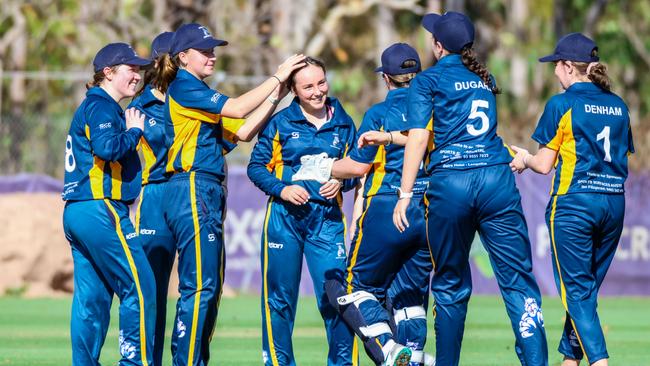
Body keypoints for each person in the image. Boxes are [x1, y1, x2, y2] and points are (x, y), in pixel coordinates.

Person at [393, 12, 548, 366]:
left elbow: (418, 139)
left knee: (450, 283)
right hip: (496, 179)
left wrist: (404, 194)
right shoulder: (485, 77)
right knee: (519, 282)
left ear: (437, 45)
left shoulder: (426, 81)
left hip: (453, 183)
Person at [161, 23, 305, 366]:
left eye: (213, 50)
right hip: (191, 187)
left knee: (209, 288)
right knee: (200, 288)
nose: (212, 56)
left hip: (206, 190)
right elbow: (239, 108)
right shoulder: (184, 86)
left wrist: (277, 95)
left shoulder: (198, 91)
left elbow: (242, 130)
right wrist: (276, 75)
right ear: (183, 58)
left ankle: (194, 360)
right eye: (204, 50)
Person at [298, 43, 434, 366]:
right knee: (410, 297)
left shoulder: (379, 114)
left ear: (387, 79)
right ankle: (412, 359)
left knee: (346, 285)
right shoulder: (434, 109)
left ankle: (387, 349)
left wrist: (324, 167)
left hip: (386, 207)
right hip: (428, 211)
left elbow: (358, 168)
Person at [510, 33, 634, 366]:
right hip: (614, 204)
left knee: (577, 295)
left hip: (575, 205)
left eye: (556, 66)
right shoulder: (619, 105)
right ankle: (570, 361)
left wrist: (523, 158)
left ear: (568, 67)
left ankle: (600, 362)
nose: (554, 73)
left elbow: (544, 164)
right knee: (585, 293)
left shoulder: (561, 104)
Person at [247, 57, 358, 366]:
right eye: (307, 86)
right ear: (294, 91)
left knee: (336, 298)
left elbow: (358, 172)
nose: (317, 91)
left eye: (321, 82)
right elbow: (256, 167)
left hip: (327, 222)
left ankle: (343, 363)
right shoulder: (280, 122)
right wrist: (281, 189)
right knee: (279, 301)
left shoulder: (345, 123)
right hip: (284, 220)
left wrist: (340, 182)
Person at [62, 43, 155, 366]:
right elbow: (108, 148)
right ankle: (134, 362)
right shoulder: (102, 106)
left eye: (138, 69)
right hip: (100, 207)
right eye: (130, 68)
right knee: (141, 289)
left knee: (93, 300)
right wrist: (133, 132)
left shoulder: (93, 106)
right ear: (108, 72)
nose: (137, 75)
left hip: (77, 209)